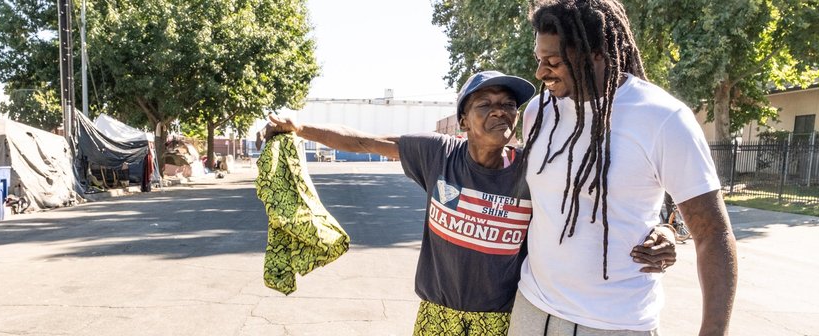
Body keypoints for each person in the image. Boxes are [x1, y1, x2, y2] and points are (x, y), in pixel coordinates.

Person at [258, 70, 677, 335]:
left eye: (508, 105)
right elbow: (362, 140)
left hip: (501, 320)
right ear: (463, 120)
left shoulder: (533, 168)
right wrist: (300, 126)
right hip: (437, 315)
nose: (500, 112)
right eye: (486, 105)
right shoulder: (438, 154)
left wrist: (661, 228)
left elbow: (600, 201)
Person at [510, 1, 738, 335]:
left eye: (554, 62)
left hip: (615, 324)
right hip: (531, 310)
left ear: (596, 54)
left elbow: (713, 234)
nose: (540, 73)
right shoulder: (539, 112)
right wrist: (665, 228)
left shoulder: (662, 118)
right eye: (539, 60)